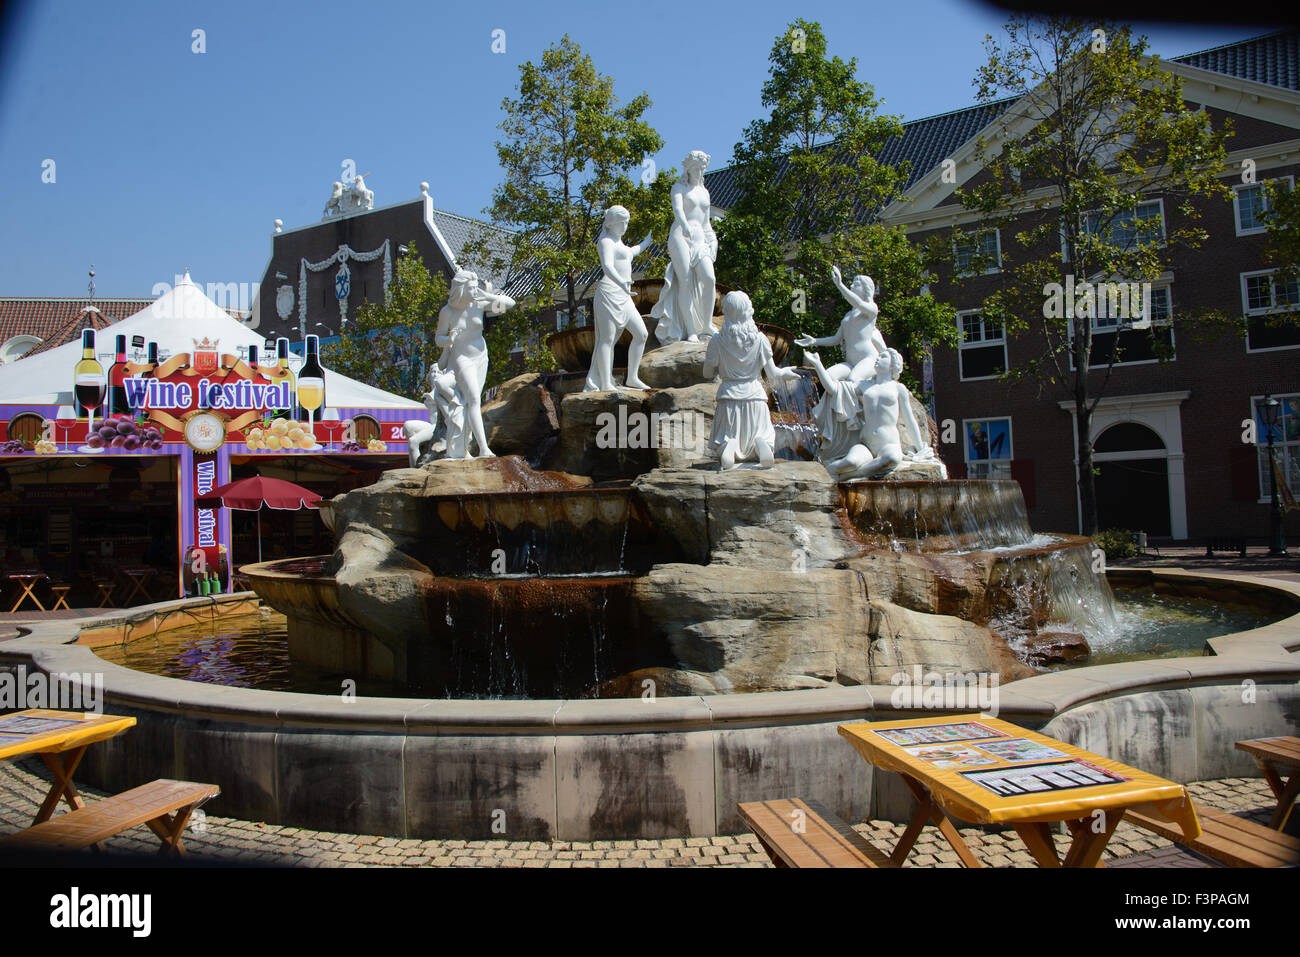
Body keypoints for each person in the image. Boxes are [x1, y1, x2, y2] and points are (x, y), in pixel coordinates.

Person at [703, 291, 802, 470]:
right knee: (762, 433)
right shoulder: (760, 339)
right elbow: (773, 374)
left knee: (727, 436)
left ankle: (729, 447)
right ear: (748, 311)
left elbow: (707, 373)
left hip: (728, 396)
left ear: (727, 311)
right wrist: (786, 372)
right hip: (755, 395)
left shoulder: (717, 340)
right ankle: (761, 445)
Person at [434, 269, 515, 458]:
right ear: (461, 289)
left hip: (481, 356)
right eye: (470, 288)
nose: (474, 291)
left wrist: (487, 295)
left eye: (475, 288)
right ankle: (484, 448)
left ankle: (464, 449)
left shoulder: (478, 304)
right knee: (473, 399)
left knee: (472, 401)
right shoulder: (448, 312)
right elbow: (438, 337)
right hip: (461, 358)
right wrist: (449, 339)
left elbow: (510, 304)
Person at [651, 150, 718, 343]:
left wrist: (712, 239)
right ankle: (691, 331)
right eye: (695, 168)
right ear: (687, 169)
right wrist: (685, 224)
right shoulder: (679, 187)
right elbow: (678, 209)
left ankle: (706, 325)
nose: (698, 172)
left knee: (709, 278)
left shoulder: (705, 192)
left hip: (699, 239)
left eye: (701, 168)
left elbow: (706, 222)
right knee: (685, 281)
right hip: (680, 235)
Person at [585, 206, 652, 392]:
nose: (625, 226)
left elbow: (634, 251)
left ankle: (632, 377)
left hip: (624, 295)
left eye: (627, 222)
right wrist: (622, 282)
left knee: (641, 334)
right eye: (621, 222)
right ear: (611, 223)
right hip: (609, 293)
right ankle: (606, 382)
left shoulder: (621, 245)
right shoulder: (606, 242)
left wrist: (648, 241)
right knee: (607, 339)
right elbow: (607, 266)